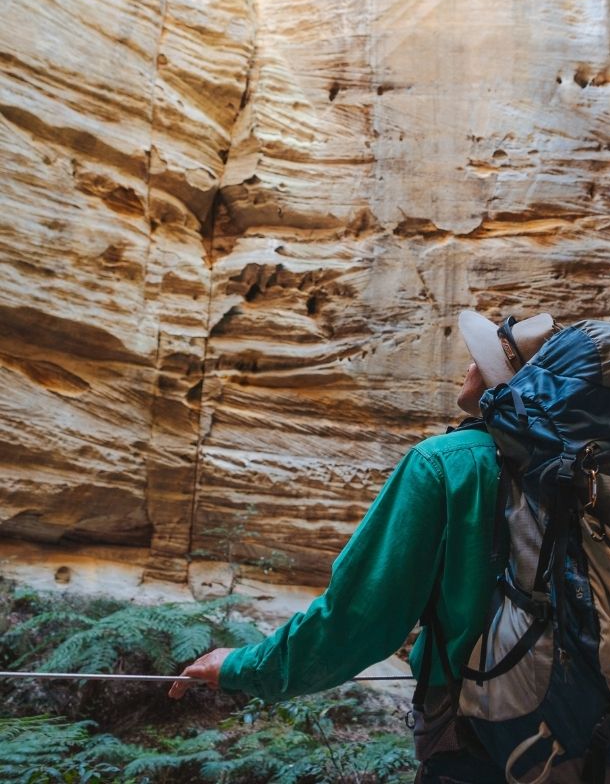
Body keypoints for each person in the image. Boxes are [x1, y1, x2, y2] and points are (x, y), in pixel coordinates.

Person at [169, 310, 559, 784]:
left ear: (504, 387)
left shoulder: (447, 463)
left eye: (481, 362)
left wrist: (244, 667)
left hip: (486, 741)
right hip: (601, 734)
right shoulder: (586, 473)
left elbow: (358, 618)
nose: (469, 367)